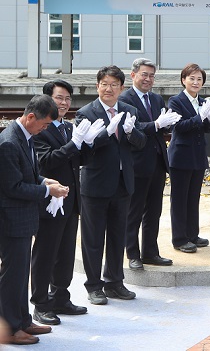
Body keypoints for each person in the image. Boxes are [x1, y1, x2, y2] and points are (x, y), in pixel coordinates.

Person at [0, 95, 69, 345]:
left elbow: (28, 174)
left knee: (20, 274)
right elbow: (13, 187)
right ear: (30, 117)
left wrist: (44, 181)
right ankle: (9, 328)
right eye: (44, 124)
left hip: (21, 218)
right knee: (12, 276)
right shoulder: (9, 142)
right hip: (11, 220)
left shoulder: (25, 137)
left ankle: (22, 320)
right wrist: (47, 191)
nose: (45, 129)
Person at [76, 65, 146, 306]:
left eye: (114, 85)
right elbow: (85, 149)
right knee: (93, 239)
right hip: (95, 186)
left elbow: (140, 143)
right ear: (97, 86)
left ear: (121, 88)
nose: (109, 88)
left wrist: (130, 133)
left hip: (122, 184)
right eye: (104, 84)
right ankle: (94, 286)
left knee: (118, 236)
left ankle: (115, 282)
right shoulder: (86, 112)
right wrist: (106, 133)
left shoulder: (129, 110)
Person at [30, 80, 91, 326]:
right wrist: (73, 144)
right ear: (47, 100)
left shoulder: (67, 128)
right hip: (50, 201)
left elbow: (77, 159)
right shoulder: (40, 130)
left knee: (65, 253)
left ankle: (61, 297)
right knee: (45, 253)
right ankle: (40, 303)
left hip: (70, 200)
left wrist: (89, 142)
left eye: (68, 99)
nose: (64, 103)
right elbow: (46, 162)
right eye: (59, 98)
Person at [120, 58, 181, 270]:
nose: (148, 79)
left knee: (154, 211)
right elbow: (133, 128)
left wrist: (169, 125)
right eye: (144, 74)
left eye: (152, 75)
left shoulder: (155, 99)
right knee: (134, 211)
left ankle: (150, 252)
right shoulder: (125, 99)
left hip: (157, 161)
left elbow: (160, 127)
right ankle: (133, 254)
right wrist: (156, 124)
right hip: (137, 163)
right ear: (133, 75)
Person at [168, 64, 210, 253]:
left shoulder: (203, 101)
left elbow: (205, 129)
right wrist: (199, 117)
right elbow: (178, 126)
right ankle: (179, 239)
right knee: (180, 199)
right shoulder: (176, 101)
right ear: (184, 80)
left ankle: (192, 234)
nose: (196, 82)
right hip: (181, 156)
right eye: (192, 78)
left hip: (198, 155)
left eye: (199, 79)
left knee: (193, 198)